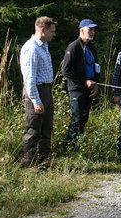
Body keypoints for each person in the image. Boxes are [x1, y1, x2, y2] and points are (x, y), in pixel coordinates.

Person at [20, 16, 57, 169]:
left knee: (46, 129)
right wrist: (36, 101)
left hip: (46, 90)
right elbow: (29, 78)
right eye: (52, 31)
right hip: (36, 91)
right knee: (33, 130)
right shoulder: (32, 48)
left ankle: (44, 164)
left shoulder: (43, 45)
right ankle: (30, 164)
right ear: (43, 30)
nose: (53, 34)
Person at [61, 19, 100, 149]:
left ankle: (77, 145)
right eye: (90, 29)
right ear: (81, 30)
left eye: (93, 30)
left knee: (84, 118)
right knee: (76, 118)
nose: (92, 32)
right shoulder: (73, 47)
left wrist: (96, 84)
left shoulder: (91, 47)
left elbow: (96, 67)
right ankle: (68, 146)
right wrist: (83, 81)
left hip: (89, 89)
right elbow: (66, 70)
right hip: (77, 88)